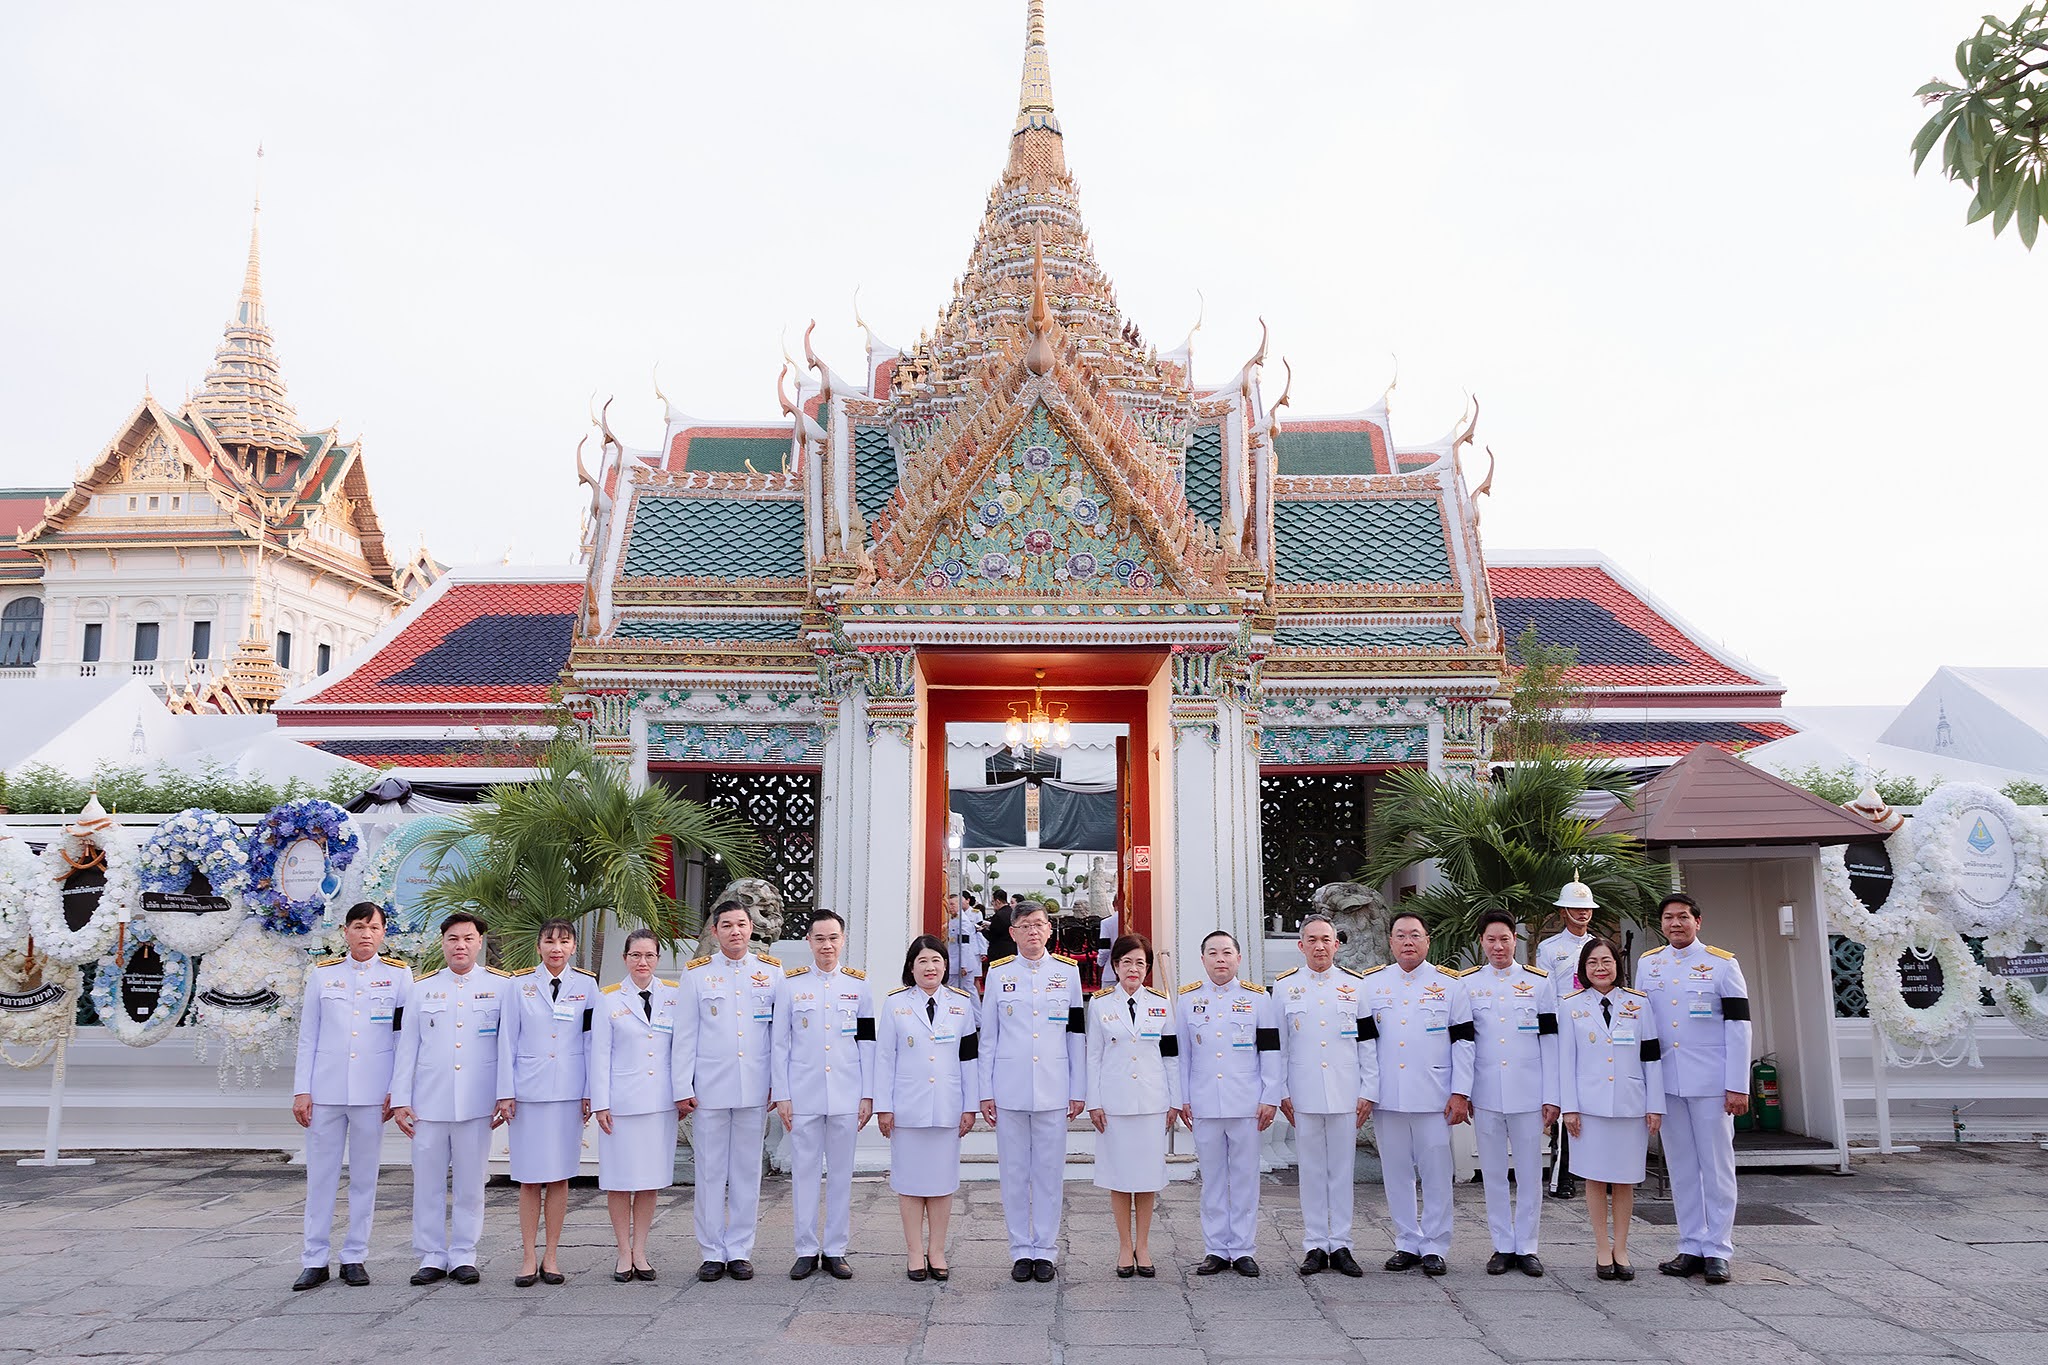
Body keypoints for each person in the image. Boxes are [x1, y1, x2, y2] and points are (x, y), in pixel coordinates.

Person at [290, 902, 411, 1291]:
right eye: (358, 927)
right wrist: (302, 1089)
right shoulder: (324, 976)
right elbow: (308, 1036)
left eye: (373, 928)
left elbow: (403, 1039)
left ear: (383, 933)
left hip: (372, 1094)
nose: (365, 934)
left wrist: (399, 1089)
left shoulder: (398, 976)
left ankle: (355, 1255)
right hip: (325, 1091)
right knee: (320, 1177)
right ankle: (314, 1258)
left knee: (364, 1177)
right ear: (345, 932)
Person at [391, 912, 509, 1286]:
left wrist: (504, 1094)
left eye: (468, 939)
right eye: (453, 939)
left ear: (480, 943)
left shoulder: (501, 987)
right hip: (429, 1101)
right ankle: (430, 1254)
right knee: (426, 1181)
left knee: (472, 1182)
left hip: (476, 1102)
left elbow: (507, 1048)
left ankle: (463, 1254)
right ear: (442, 943)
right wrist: (400, 1098)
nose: (461, 945)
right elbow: (406, 1047)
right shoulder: (422, 989)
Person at [1638, 893, 1750, 1285]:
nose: (1675, 924)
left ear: (1698, 922)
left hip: (1711, 1083)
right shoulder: (1648, 965)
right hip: (1668, 1082)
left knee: (1716, 1167)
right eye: (1668, 918)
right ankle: (1691, 1245)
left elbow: (1738, 1027)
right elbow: (1645, 1029)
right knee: (1682, 1167)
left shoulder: (1722, 964)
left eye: (1683, 917)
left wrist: (1738, 1085)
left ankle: (1718, 1249)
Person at [675, 899, 784, 1282]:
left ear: (751, 929)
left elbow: (778, 1035)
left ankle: (739, 1249)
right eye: (727, 925)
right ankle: (710, 1251)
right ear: (715, 931)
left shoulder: (771, 974)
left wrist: (778, 1083)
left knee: (746, 1171)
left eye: (741, 924)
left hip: (754, 1087)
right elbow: (685, 1036)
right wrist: (681, 1087)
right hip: (709, 1088)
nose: (735, 931)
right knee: (708, 1171)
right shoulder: (697, 975)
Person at [1363, 910, 1474, 1277]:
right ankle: (1406, 1241)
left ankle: (1435, 1245)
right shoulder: (1372, 985)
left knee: (1437, 1171)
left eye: (1415, 935)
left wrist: (1461, 1092)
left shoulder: (1450, 985)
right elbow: (1363, 1045)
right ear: (1390, 942)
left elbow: (1464, 1043)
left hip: (1434, 1095)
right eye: (1400, 936)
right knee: (1396, 1173)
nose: (1408, 942)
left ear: (1428, 941)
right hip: (1389, 1097)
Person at [980, 899, 1086, 1283]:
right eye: (1024, 926)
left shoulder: (1067, 974)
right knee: (1014, 1171)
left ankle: (1046, 1249)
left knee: (1048, 1172)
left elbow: (1076, 1034)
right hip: (1009, 1087)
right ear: (1012, 933)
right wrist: (984, 1091)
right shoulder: (998, 974)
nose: (1033, 931)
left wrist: (1079, 1088)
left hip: (1054, 1088)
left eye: (1039, 924)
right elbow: (988, 1036)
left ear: (1049, 930)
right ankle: (1021, 1249)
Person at [772, 909, 876, 1281]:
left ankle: (835, 1249)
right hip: (803, 1094)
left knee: (842, 1175)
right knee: (804, 1172)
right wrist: (782, 1094)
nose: (827, 945)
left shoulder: (859, 986)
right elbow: (779, 1044)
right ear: (809, 942)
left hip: (847, 1093)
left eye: (833, 938)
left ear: (842, 940)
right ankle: (804, 1248)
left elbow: (867, 1042)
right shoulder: (790, 985)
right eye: (820, 938)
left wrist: (868, 1094)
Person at [1177, 930, 1283, 1278]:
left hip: (1246, 1103)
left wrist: (1270, 1097)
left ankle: (1242, 1248)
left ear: (1238, 959)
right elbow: (1182, 1056)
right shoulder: (1187, 1000)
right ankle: (1215, 1249)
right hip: (1205, 1103)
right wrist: (1183, 1099)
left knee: (1245, 1178)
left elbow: (1270, 1051)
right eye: (1212, 953)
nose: (1220, 959)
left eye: (1226, 953)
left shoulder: (1258, 999)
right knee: (1212, 1178)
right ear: (1203, 959)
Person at [496, 919, 596, 1287]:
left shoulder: (587, 985)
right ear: (538, 946)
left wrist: (591, 1092)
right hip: (528, 1093)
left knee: (559, 1177)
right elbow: (506, 1039)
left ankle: (551, 1255)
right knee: (528, 1178)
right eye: (549, 941)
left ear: (573, 947)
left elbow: (591, 1042)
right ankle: (527, 1255)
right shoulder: (519, 985)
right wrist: (505, 1091)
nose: (557, 948)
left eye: (564, 941)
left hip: (569, 1092)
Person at [875, 933, 982, 1281]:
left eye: (936, 960)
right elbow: (884, 1058)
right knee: (909, 1183)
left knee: (941, 1183)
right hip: (907, 1107)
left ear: (946, 965)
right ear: (911, 967)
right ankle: (913, 1252)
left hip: (947, 1107)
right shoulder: (895, 1005)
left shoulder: (962, 1005)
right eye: (922, 961)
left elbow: (969, 1059)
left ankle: (937, 1250)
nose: (930, 967)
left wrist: (970, 1106)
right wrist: (883, 1106)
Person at [1274, 912, 1375, 1277]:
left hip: (1346, 1091)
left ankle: (1342, 1243)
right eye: (1312, 940)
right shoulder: (1285, 987)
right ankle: (1315, 1244)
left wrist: (1369, 1090)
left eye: (1326, 939)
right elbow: (1278, 1047)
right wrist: (1280, 1090)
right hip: (1303, 1093)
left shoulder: (1357, 986)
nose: (1319, 946)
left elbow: (1367, 1044)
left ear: (1337, 944)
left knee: (1341, 1171)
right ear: (1301, 946)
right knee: (1312, 1170)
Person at [1561, 935, 1664, 1280]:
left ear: (1617, 966)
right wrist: (1569, 1109)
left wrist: (1655, 1105)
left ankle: (1622, 1248)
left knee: (1624, 1180)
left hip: (1630, 1105)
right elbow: (1566, 1062)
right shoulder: (1571, 1005)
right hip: (1588, 1108)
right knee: (1594, 1178)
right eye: (1592, 963)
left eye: (1606, 961)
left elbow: (1651, 1057)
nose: (1600, 968)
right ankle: (1602, 1248)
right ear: (1583, 969)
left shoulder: (1638, 1003)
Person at [1464, 910, 1560, 1277]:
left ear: (1515, 940)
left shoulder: (1539, 983)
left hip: (1528, 1092)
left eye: (1504, 939)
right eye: (1491, 939)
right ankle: (1502, 1244)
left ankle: (1528, 1245)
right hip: (1485, 1092)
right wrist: (1464, 1090)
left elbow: (1550, 1041)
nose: (1498, 946)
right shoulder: (1468, 984)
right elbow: (1464, 1043)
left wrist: (1552, 1095)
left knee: (1530, 1171)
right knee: (1492, 1171)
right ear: (1482, 943)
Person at [589, 929, 682, 1282]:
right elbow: (599, 1055)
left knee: (648, 1181)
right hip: (622, 1104)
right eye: (635, 955)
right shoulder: (608, 998)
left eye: (649, 956)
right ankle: (622, 1251)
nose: (642, 962)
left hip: (659, 1102)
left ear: (658, 959)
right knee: (619, 1180)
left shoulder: (674, 996)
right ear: (625, 959)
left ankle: (640, 1250)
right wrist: (601, 1103)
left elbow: (681, 1049)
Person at [1085, 932, 1179, 1278]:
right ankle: (1125, 1245)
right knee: (1120, 1177)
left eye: (1140, 962)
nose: (1134, 969)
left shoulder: (1161, 1003)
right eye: (1127, 962)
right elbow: (1092, 1057)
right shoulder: (1100, 1004)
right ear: (1115, 965)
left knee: (1147, 1177)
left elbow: (1171, 1056)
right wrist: (1093, 1102)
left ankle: (1144, 1245)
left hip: (1153, 1102)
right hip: (1115, 1103)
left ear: (1148, 968)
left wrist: (1174, 1100)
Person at [1536, 880, 1598, 1199]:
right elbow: (1546, 997)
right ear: (1563, 912)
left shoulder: (1598, 945)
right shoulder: (1549, 950)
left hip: (1593, 1030)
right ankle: (1563, 1175)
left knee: (1594, 1099)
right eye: (1576, 907)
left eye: (1587, 907)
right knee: (1564, 1103)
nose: (1583, 912)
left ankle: (1600, 1172)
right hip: (1562, 1028)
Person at [946, 891, 986, 994]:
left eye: (952, 904)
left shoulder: (963, 921)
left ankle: (976, 1010)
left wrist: (963, 965)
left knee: (966, 989)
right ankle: (975, 1010)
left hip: (961, 962)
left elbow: (964, 944)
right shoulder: (954, 919)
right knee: (966, 989)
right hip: (956, 961)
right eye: (949, 904)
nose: (950, 907)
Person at [986, 892, 1016, 965]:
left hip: (999, 952)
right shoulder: (1012, 912)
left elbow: (992, 936)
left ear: (998, 901)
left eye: (993, 901)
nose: (992, 904)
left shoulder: (999, 915)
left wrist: (983, 931)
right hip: (1012, 949)